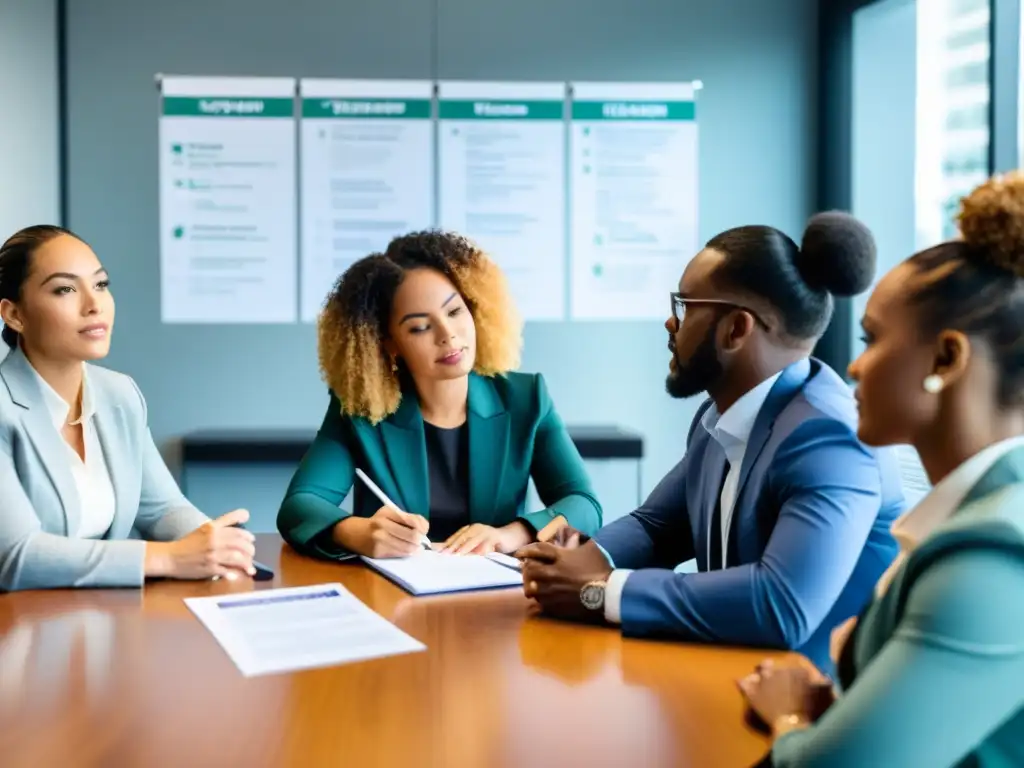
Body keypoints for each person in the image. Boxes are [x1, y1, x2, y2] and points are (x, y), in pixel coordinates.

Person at [518, 213, 906, 676]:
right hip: (728, 674)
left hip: (813, 706)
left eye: (684, 305)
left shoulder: (830, 437)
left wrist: (600, 590)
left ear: (736, 329)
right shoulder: (718, 416)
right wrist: (581, 560)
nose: (670, 322)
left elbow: (779, 605)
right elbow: (657, 525)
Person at [737, 175, 1024, 766]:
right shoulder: (977, 517)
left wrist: (791, 720)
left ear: (947, 358)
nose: (854, 363)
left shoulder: (993, 552)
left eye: (873, 338)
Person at [277, 230, 602, 560]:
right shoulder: (361, 411)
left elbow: (584, 503)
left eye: (455, 311)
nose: (448, 335)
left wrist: (508, 535)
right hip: (394, 597)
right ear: (389, 344)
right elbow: (299, 506)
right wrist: (359, 533)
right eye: (420, 327)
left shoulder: (527, 397)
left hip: (499, 594)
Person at [0, 225, 257, 591]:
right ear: (14, 315)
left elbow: (162, 508)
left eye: (101, 284)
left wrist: (212, 542)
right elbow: (15, 556)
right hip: (19, 629)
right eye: (65, 289)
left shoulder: (118, 394)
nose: (94, 304)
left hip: (103, 620)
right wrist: (168, 558)